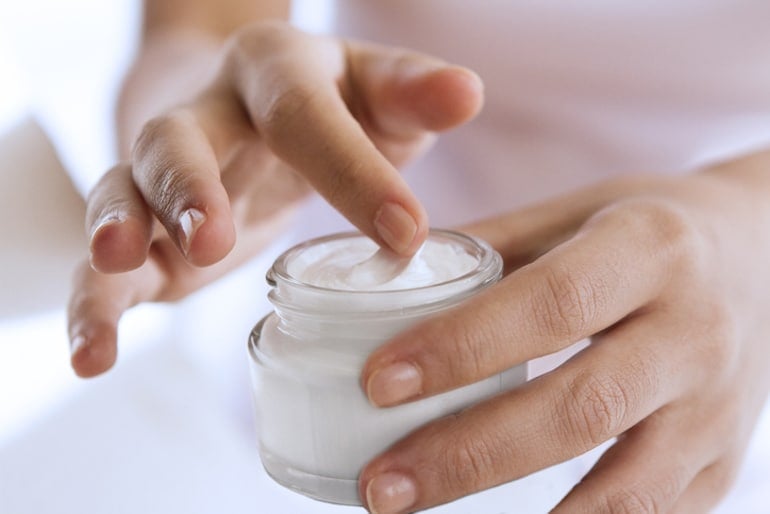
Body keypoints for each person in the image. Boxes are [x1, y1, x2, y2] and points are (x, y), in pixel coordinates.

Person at [67, 0, 770, 512]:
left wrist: (752, 223)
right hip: (304, 307)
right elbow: (199, 26)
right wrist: (189, 139)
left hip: (722, 358)